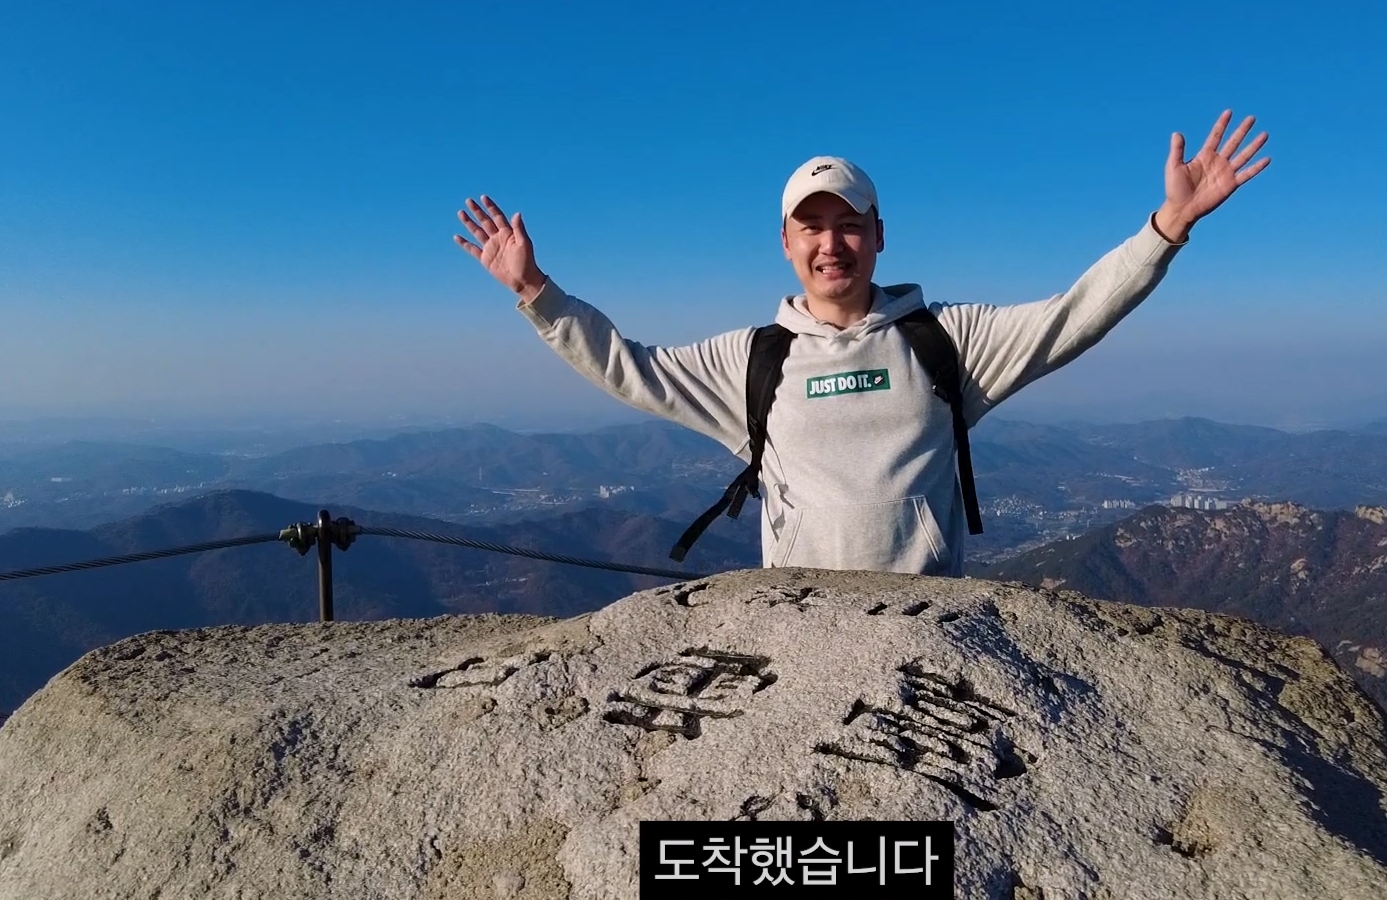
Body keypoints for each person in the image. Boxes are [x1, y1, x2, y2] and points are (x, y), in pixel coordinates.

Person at [455, 110, 1269, 576]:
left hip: (927, 626)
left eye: (849, 224)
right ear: (785, 243)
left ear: (880, 235)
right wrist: (537, 293)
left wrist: (1168, 227)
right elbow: (630, 369)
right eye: (812, 227)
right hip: (800, 627)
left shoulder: (948, 339)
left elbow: (1073, 315)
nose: (831, 244)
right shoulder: (753, 360)